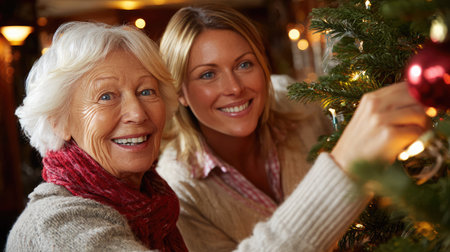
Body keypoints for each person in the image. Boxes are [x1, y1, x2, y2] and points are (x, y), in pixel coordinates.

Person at [156, 4, 429, 252]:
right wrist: (343, 166)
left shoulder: (294, 101)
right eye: (208, 74)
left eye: (244, 64)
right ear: (179, 92)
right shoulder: (177, 193)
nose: (235, 87)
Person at [6, 21, 187, 251]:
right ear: (59, 121)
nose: (137, 113)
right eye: (106, 96)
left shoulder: (154, 206)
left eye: (146, 91)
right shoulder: (58, 224)